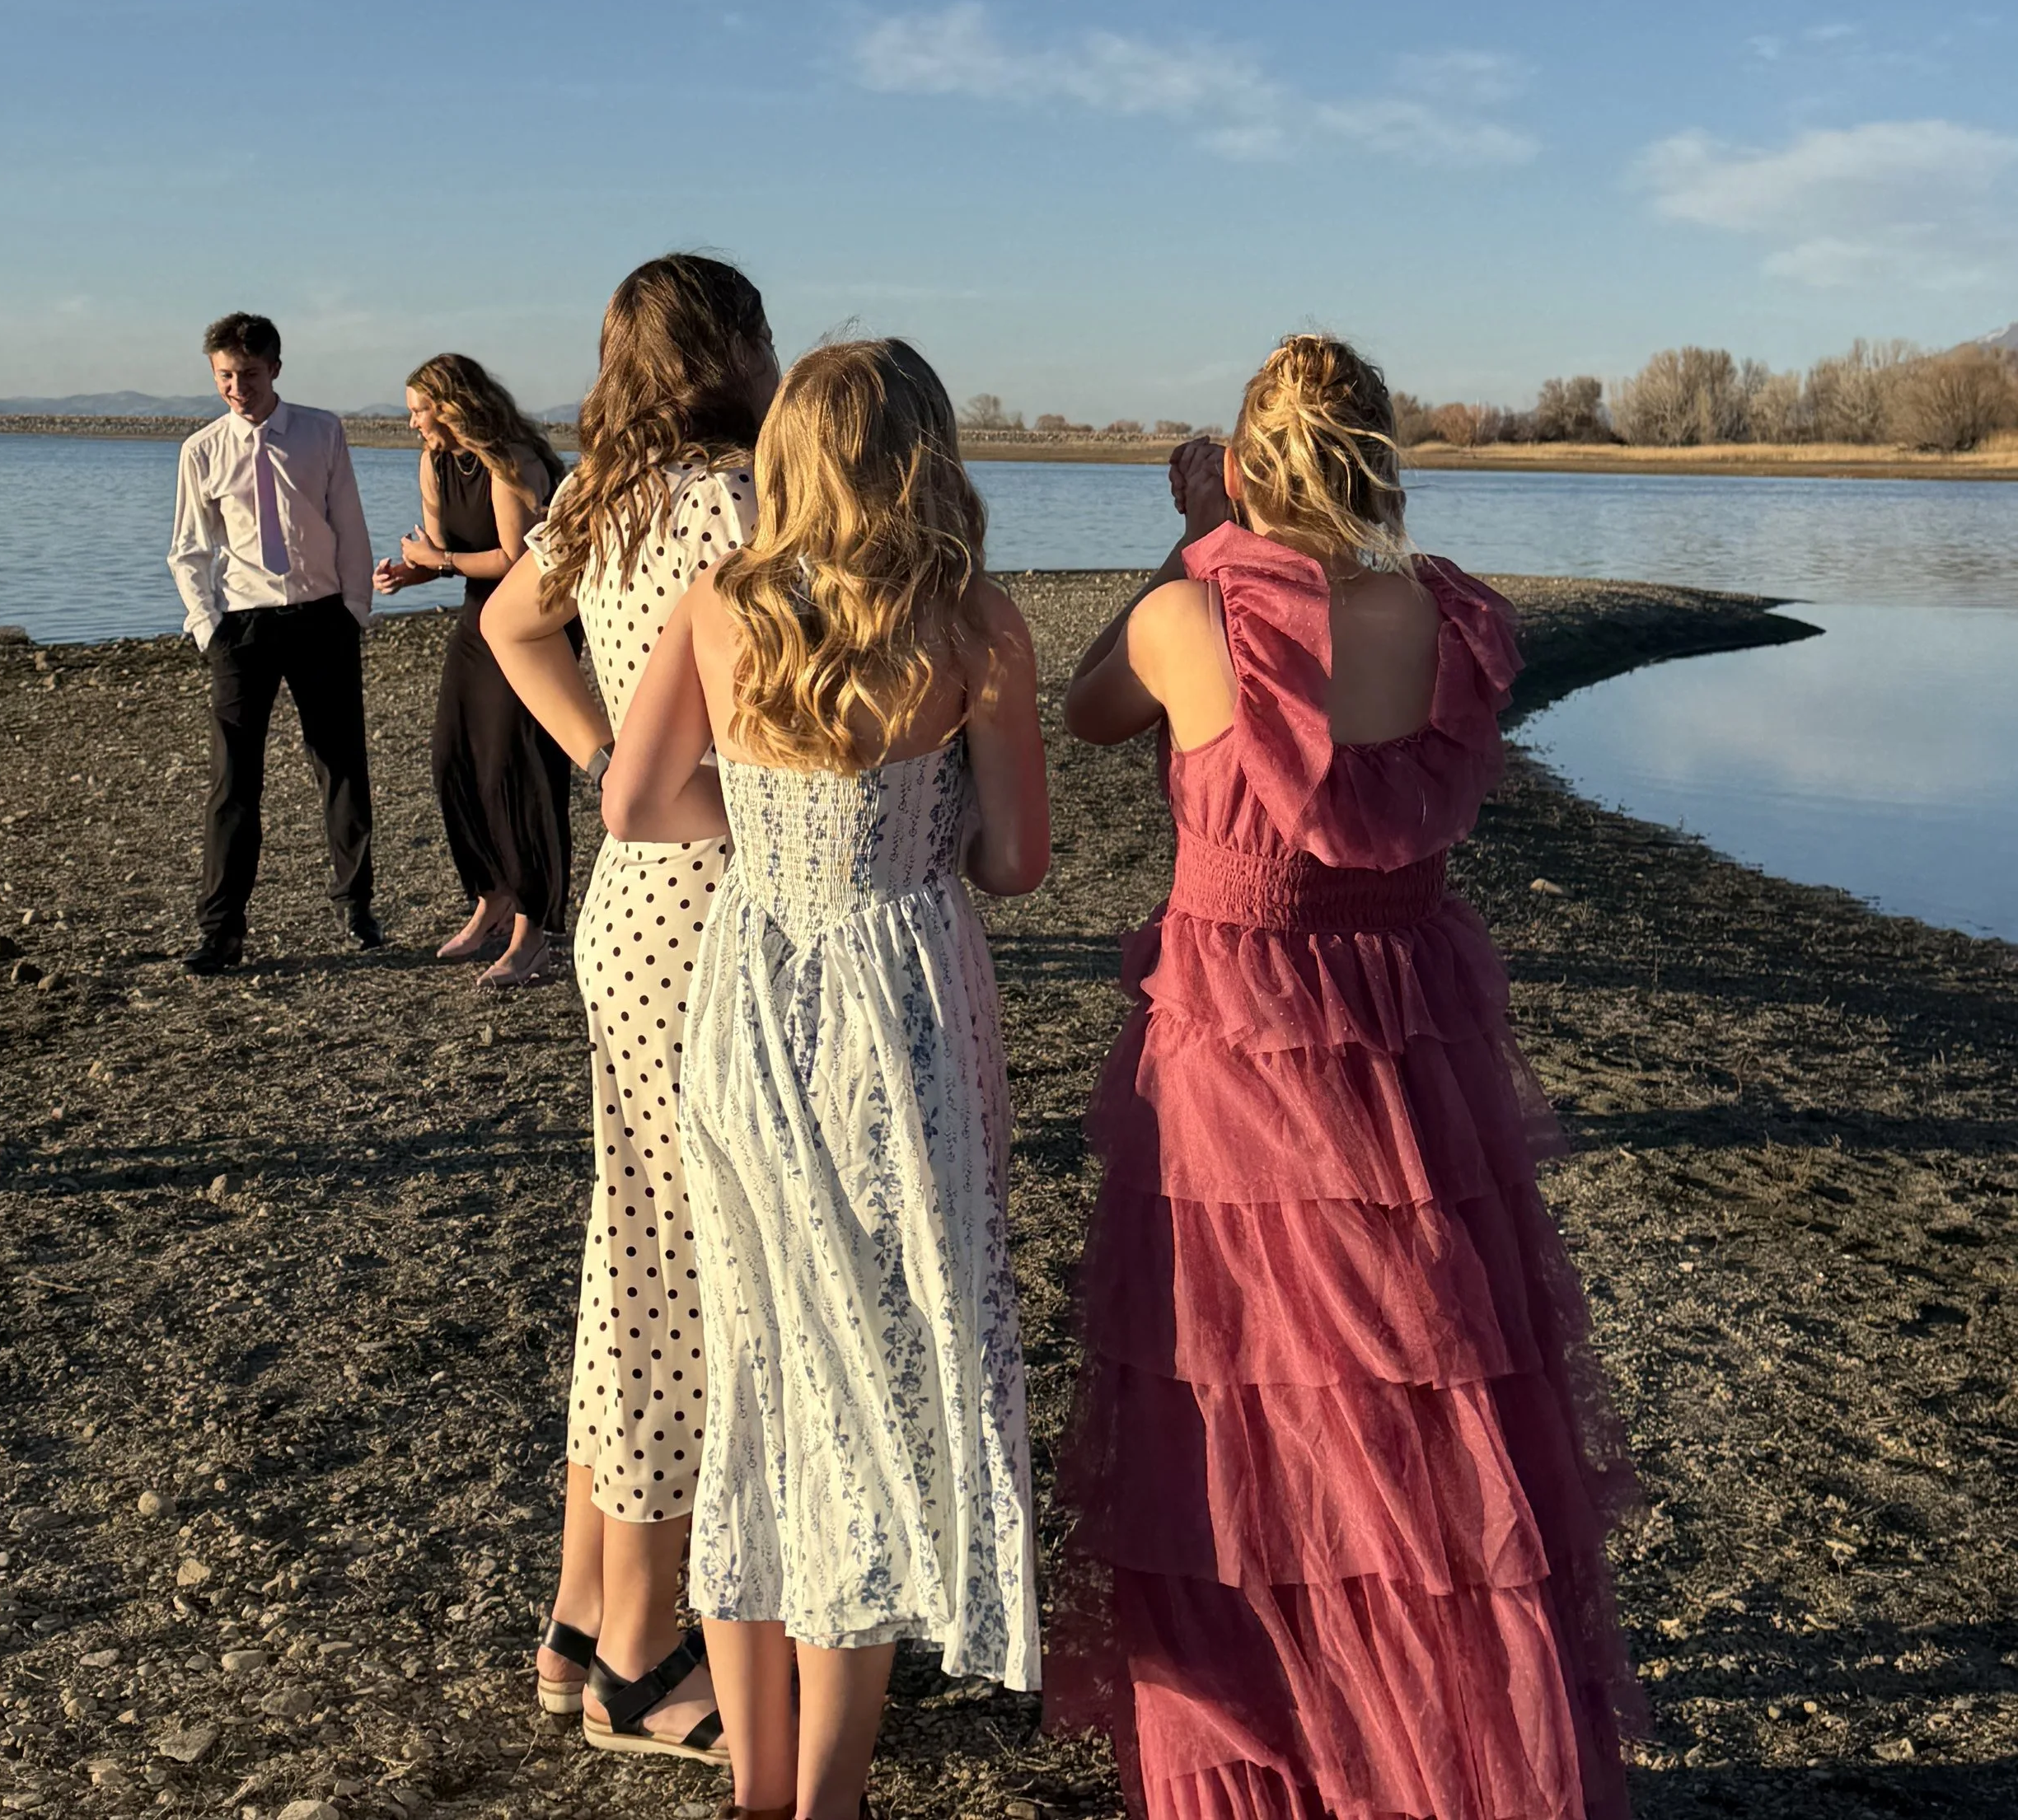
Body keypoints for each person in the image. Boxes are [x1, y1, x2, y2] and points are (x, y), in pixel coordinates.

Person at [1046, 335, 1641, 1820]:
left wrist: (1200, 537)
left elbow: (1091, 705)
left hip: (1242, 1030)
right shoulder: (1452, 619)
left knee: (1250, 1387)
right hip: (1408, 1018)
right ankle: (1446, 1739)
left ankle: (1285, 1740)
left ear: (1245, 464)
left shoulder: (1198, 611)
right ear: (1380, 460)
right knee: (1421, 1383)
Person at [602, 337, 1048, 1820]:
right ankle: (835, 1791)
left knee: (758, 1379)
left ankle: (758, 1778)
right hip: (900, 1012)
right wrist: (908, 842)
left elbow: (637, 799)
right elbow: (1018, 858)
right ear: (929, 453)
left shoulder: (720, 607)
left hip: (750, 1002)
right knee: (870, 1389)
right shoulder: (974, 622)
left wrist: (767, 826)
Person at [480, 255, 775, 1768]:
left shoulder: (596, 494)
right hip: (721, 900)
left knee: (633, 1244)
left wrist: (609, 761)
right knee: (688, 1278)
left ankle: (579, 1616)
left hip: (627, 907)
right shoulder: (740, 502)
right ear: (740, 349)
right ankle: (645, 1659)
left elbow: (506, 632)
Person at [167, 311, 380, 976]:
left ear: (275, 369)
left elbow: (348, 520)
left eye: (249, 374)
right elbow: (189, 549)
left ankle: (357, 905)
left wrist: (354, 610)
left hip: (321, 619)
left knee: (340, 763)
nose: (237, 388)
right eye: (225, 376)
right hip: (244, 628)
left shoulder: (322, 431)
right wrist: (208, 628)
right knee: (233, 781)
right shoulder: (201, 450)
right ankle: (222, 929)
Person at [372, 354, 575, 987]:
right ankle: (491, 896)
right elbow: (445, 553)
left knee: (519, 768)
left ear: (454, 404)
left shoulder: (509, 460)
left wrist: (443, 559)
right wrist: (416, 569)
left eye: (419, 411)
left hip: (533, 621)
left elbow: (517, 558)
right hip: (476, 620)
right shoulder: (435, 461)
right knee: (453, 757)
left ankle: (532, 933)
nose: (412, 424)